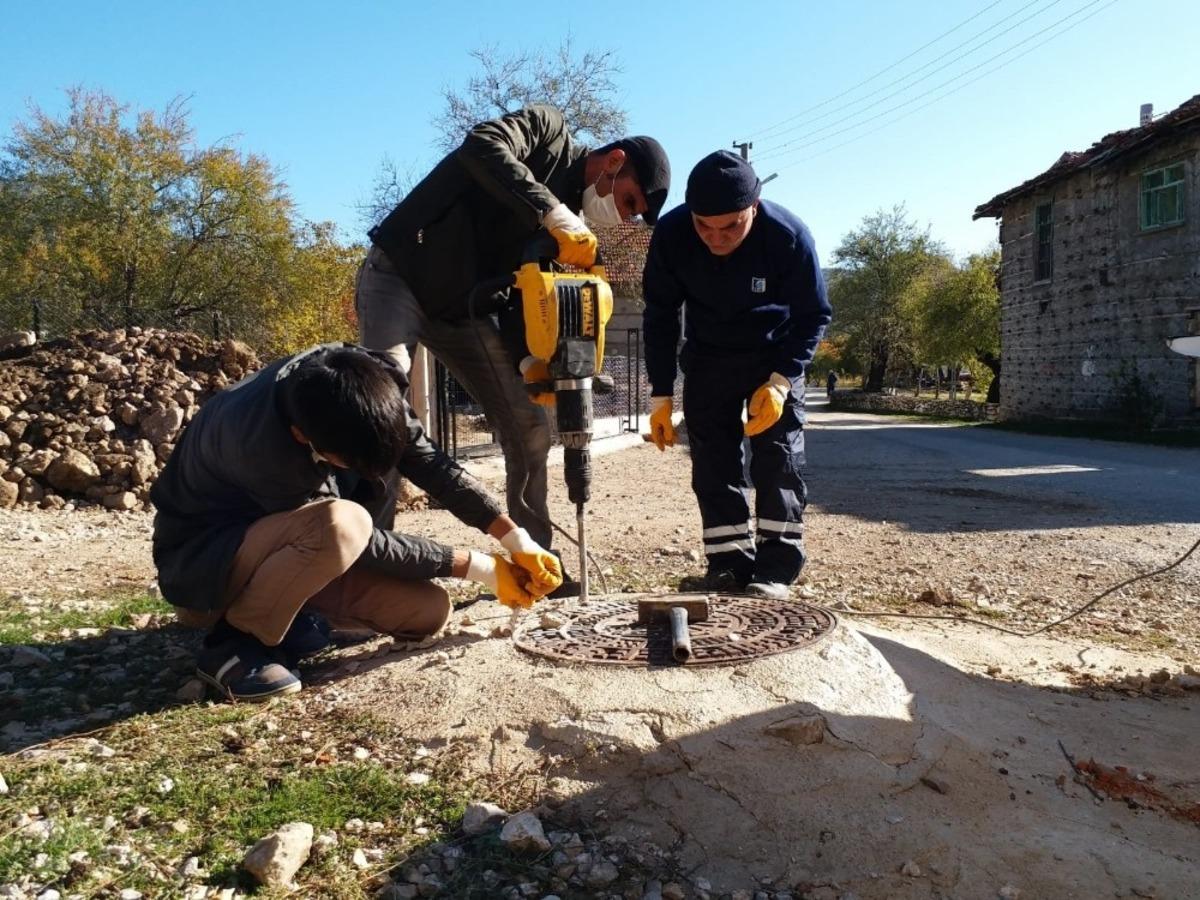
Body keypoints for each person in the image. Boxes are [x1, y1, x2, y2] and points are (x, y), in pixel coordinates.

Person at [356, 105, 670, 592]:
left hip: (463, 311)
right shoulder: (547, 131)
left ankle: (535, 559)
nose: (622, 216)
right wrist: (553, 212)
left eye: (631, 215)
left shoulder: (564, 238)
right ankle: (366, 577)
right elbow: (481, 146)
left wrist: (526, 360)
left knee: (528, 425)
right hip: (400, 275)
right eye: (628, 202)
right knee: (381, 413)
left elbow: (519, 297)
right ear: (613, 162)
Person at [150, 343, 563, 701]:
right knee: (341, 523)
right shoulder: (261, 446)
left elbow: (434, 467)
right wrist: (477, 567)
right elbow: (351, 539)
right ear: (302, 437)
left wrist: (514, 538)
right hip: (205, 563)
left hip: (287, 554)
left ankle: (293, 619)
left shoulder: (368, 384)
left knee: (427, 612)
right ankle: (234, 645)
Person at [642, 151, 832, 600]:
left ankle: (777, 568)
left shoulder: (788, 235)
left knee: (777, 458)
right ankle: (728, 565)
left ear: (755, 206)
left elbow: (814, 315)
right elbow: (661, 316)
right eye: (704, 225)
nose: (715, 237)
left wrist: (783, 381)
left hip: (774, 358)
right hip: (708, 359)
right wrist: (660, 394)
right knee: (712, 462)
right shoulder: (671, 235)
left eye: (730, 226)